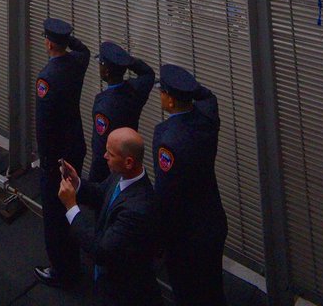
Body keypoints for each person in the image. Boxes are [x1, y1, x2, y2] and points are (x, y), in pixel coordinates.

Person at [59, 128, 162, 305]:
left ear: (128, 162)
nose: (105, 156)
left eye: (110, 153)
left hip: (123, 292)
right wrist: (78, 184)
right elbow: (100, 194)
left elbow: (100, 251)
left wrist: (71, 206)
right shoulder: (120, 176)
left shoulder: (137, 209)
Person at [153, 64, 228, 306]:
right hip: (212, 220)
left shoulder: (169, 140)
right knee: (213, 287)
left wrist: (160, 237)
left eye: (163, 92)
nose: (160, 95)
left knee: (187, 292)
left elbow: (167, 196)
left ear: (171, 101)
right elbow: (207, 96)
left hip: (186, 235)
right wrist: (187, 88)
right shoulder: (207, 118)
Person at [34, 17, 91, 288]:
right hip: (75, 145)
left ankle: (61, 269)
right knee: (71, 205)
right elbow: (84, 50)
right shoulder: (76, 63)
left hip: (55, 156)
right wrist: (69, 39)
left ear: (48, 42)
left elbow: (44, 126)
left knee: (55, 218)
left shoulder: (47, 77)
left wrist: (46, 162)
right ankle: (74, 261)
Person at [88, 42, 155, 183]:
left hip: (111, 168)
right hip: (129, 160)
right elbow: (148, 73)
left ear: (106, 72)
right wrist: (125, 61)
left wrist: (94, 180)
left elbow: (100, 149)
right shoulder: (136, 90)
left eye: (101, 64)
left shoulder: (104, 105)